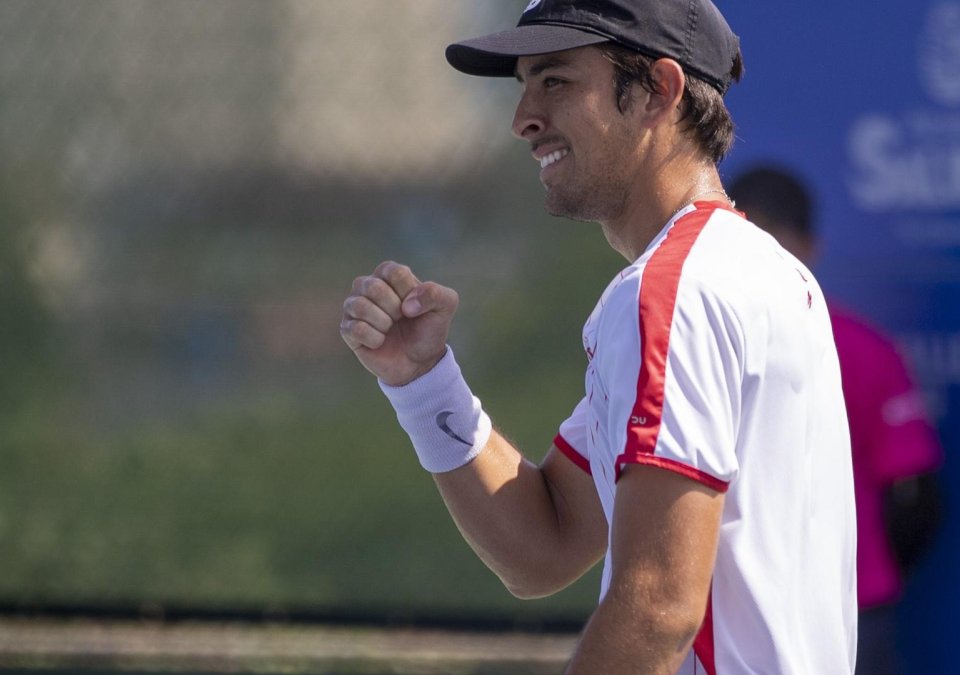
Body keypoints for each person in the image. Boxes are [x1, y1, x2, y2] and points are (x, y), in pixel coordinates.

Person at [340, 2, 857, 672]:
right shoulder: (759, 272)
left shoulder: (674, 291)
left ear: (660, 92)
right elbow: (544, 545)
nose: (523, 117)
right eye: (523, 83)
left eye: (556, 80)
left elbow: (659, 609)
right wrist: (422, 379)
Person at [727, 166, 944, 675]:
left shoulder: (694, 344)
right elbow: (918, 500)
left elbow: (918, 500)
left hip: (744, 608)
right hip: (843, 606)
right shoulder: (867, 347)